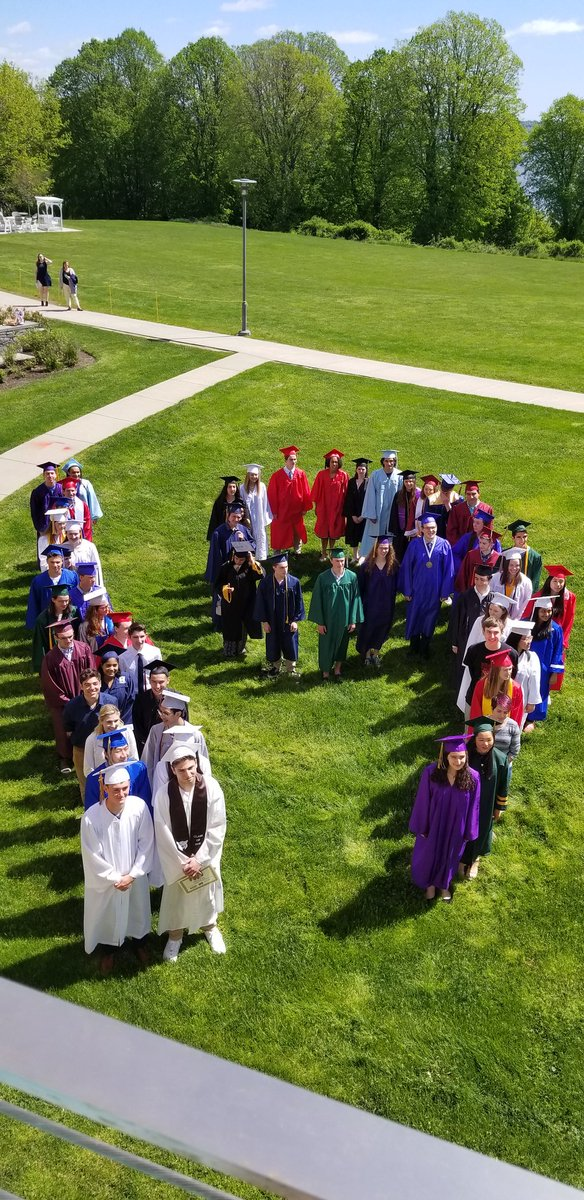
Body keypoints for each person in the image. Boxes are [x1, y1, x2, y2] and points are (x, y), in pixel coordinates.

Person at [154, 744, 227, 961]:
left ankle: (209, 927)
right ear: (173, 770)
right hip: (178, 861)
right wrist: (184, 861)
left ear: (196, 763)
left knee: (206, 893)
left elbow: (217, 826)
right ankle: (175, 936)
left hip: (205, 856)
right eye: (182, 770)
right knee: (176, 897)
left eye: (191, 768)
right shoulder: (164, 795)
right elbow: (163, 831)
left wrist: (200, 859)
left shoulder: (211, 788)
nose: (188, 774)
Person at [80, 764, 154, 975]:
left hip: (134, 875)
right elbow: (92, 856)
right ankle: (109, 951)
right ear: (105, 789)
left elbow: (147, 843)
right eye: (115, 790)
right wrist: (115, 879)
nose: (121, 794)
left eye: (125, 788)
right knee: (108, 914)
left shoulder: (139, 808)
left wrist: (133, 874)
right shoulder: (91, 818)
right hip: (108, 881)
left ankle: (140, 944)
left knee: (138, 909)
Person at [409, 734, 480, 902]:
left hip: (456, 826)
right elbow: (423, 801)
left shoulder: (473, 777)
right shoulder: (431, 773)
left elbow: (474, 806)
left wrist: (469, 831)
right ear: (445, 756)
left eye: (461, 757)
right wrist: (422, 826)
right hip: (434, 824)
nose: (458, 761)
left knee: (450, 856)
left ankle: (443, 885)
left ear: (466, 756)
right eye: (453, 757)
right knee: (430, 854)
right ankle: (429, 885)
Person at [40, 622, 95, 774]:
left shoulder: (83, 648)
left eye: (70, 636)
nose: (68, 640)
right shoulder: (50, 658)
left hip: (84, 696)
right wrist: (67, 701)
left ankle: (90, 753)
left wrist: (86, 694)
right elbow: (49, 684)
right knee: (62, 727)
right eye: (64, 638)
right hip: (63, 702)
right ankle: (65, 757)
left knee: (88, 724)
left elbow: (91, 672)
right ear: (56, 637)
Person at [398, 514, 454, 658]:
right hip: (416, 590)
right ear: (422, 529)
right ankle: (414, 647)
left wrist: (444, 592)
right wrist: (407, 590)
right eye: (428, 528)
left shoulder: (444, 544)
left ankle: (425, 648)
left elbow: (449, 570)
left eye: (433, 528)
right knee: (415, 616)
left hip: (434, 592)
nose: (431, 531)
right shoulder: (414, 545)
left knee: (430, 618)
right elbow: (406, 568)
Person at [459, 717, 509, 879]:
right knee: (463, 828)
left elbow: (503, 785)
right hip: (465, 804)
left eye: (489, 739)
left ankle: (475, 859)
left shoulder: (500, 759)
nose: (485, 744)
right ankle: (461, 858)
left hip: (486, 805)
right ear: (474, 739)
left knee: (482, 830)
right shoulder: (464, 756)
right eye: (481, 740)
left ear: (494, 739)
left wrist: (499, 807)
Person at [308, 547, 363, 682]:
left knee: (342, 644)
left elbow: (355, 599)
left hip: (344, 619)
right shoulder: (323, 578)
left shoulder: (352, 577)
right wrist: (320, 622)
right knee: (326, 645)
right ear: (331, 561)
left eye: (342, 560)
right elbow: (317, 601)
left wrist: (353, 620)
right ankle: (326, 672)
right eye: (337, 561)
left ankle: (337, 669)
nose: (340, 563)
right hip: (328, 619)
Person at [62, 668, 117, 797]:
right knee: (86, 784)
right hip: (81, 750)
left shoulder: (111, 701)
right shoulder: (72, 706)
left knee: (110, 781)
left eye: (95, 684)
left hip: (107, 748)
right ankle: (89, 807)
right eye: (87, 685)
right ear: (81, 686)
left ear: (100, 683)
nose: (92, 688)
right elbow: (68, 730)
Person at [523, 564, 576, 692]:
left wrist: (563, 642)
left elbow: (569, 620)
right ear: (549, 581)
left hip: (556, 637)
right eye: (555, 581)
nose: (558, 584)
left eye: (561, 581)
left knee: (551, 664)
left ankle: (545, 690)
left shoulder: (569, 598)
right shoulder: (537, 597)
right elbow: (527, 616)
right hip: (538, 636)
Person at [456, 607, 517, 716]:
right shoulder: (473, 650)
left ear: (502, 633)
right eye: (488, 632)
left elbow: (512, 677)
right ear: (483, 632)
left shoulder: (511, 653)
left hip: (499, 703)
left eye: (496, 632)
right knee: (472, 725)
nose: (492, 636)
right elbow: (472, 673)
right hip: (475, 697)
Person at [254, 552, 305, 677]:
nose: (285, 570)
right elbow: (260, 603)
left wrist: (295, 621)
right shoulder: (265, 583)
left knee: (290, 643)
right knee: (273, 643)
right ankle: (275, 668)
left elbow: (299, 602)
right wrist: (264, 622)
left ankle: (291, 669)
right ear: (274, 567)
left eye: (286, 567)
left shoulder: (294, 582)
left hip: (288, 621)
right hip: (272, 620)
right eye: (282, 567)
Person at [142, 690, 208, 784]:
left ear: (178, 714)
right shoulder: (156, 730)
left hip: (188, 780)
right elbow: (148, 759)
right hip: (163, 780)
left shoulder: (194, 734)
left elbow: (203, 762)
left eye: (166, 713)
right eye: (160, 712)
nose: (161, 716)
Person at [205, 501, 255, 625]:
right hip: (226, 571)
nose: (236, 519)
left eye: (238, 517)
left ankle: (235, 621)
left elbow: (253, 545)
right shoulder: (219, 533)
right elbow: (215, 556)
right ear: (228, 516)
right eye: (234, 516)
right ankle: (219, 623)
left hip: (239, 571)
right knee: (222, 596)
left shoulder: (243, 529)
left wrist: (243, 539)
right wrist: (219, 574)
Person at [215, 539, 264, 657]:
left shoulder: (249, 568)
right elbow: (217, 584)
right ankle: (229, 651)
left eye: (241, 559)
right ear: (233, 556)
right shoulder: (226, 567)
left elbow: (261, 575)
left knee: (242, 628)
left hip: (246, 604)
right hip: (230, 604)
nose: (238, 561)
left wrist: (252, 561)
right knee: (230, 628)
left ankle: (240, 649)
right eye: (236, 558)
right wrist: (225, 589)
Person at [356, 536, 399, 668]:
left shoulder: (393, 566)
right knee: (368, 629)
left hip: (386, 605)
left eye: (386, 548)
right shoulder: (366, 566)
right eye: (381, 548)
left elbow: (397, 585)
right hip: (370, 605)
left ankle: (376, 654)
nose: (384, 551)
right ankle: (367, 655)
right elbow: (360, 587)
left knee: (382, 628)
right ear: (375, 548)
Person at [449, 564, 494, 688]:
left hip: (484, 639)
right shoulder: (465, 596)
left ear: (489, 580)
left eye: (482, 579)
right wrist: (455, 642)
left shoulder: (493, 598)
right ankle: (461, 692)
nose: (478, 582)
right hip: (465, 638)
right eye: (476, 578)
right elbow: (457, 620)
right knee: (463, 666)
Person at [85, 729, 152, 812]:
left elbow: (146, 799)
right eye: (118, 751)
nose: (124, 755)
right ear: (106, 754)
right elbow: (91, 810)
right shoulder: (95, 778)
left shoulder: (138, 769)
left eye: (126, 749)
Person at [267, 446, 312, 554]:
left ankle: (297, 550)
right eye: (291, 459)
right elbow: (272, 495)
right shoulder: (277, 476)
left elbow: (306, 491)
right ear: (286, 460)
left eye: (295, 459)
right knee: (279, 530)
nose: (293, 462)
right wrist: (274, 511)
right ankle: (277, 551)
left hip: (297, 510)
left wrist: (305, 507)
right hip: (282, 510)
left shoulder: (300, 474)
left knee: (297, 529)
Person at [132, 660, 182, 755]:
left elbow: (183, 722)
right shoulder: (141, 699)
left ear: (168, 680)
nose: (157, 686)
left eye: (161, 682)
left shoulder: (177, 698)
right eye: (154, 682)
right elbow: (138, 726)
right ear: (149, 680)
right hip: (148, 745)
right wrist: (148, 744)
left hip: (173, 744)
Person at [527, 597, 565, 724]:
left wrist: (554, 673)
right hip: (526, 664)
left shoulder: (555, 629)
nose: (546, 614)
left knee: (540, 689)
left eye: (549, 611)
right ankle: (520, 714)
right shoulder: (526, 624)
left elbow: (557, 652)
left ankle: (532, 718)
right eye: (543, 611)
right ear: (536, 610)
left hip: (544, 668)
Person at [359, 450, 402, 558]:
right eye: (386, 461)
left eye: (391, 461)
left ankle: (389, 559)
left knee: (391, 535)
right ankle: (371, 559)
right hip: (378, 512)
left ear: (394, 461)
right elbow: (370, 494)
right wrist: (371, 514)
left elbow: (402, 495)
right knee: (374, 536)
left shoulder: (399, 475)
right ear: (382, 461)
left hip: (392, 512)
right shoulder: (376, 474)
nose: (389, 463)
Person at [26, 546, 79, 629]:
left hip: (68, 617)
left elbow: (77, 597)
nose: (55, 565)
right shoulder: (38, 581)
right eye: (52, 562)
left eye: (58, 562)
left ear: (62, 561)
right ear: (47, 561)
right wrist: (33, 624)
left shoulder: (72, 577)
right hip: (47, 619)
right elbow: (34, 602)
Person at [310, 450, 349, 560]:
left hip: (337, 508)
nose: (334, 464)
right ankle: (323, 553)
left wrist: (345, 508)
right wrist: (316, 506)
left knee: (334, 530)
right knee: (323, 529)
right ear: (328, 462)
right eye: (332, 462)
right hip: (324, 507)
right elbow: (316, 491)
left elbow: (346, 493)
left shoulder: (343, 475)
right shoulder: (321, 474)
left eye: (336, 462)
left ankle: (331, 552)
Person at [32, 583, 79, 673]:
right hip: (54, 655)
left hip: (72, 651)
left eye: (67, 600)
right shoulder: (43, 619)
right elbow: (40, 643)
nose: (64, 604)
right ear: (53, 599)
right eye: (61, 601)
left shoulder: (73, 612)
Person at [469, 650, 524, 727]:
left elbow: (516, 714)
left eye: (510, 669)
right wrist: (479, 729)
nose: (508, 673)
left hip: (505, 729)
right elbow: (476, 710)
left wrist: (512, 731)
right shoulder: (482, 685)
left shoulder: (516, 688)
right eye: (505, 670)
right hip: (485, 729)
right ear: (496, 670)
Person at [84, 704, 139, 775]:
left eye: (116, 721)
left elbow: (134, 758)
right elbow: (88, 769)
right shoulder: (92, 739)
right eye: (109, 722)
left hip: (126, 775)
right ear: (101, 721)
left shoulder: (127, 732)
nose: (113, 725)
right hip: (102, 778)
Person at [505, 621, 541, 731]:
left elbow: (534, 681)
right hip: (503, 698)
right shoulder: (505, 655)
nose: (528, 641)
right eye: (524, 639)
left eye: (530, 638)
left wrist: (532, 702)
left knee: (516, 726)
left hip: (521, 699)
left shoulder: (532, 657)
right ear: (515, 639)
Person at [452, 510, 501, 577]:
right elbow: (455, 554)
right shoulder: (467, 537)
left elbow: (498, 560)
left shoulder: (494, 541)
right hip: (468, 573)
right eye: (474, 522)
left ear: (485, 525)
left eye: (478, 523)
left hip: (487, 576)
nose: (474, 525)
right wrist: (463, 567)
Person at [239, 464, 273, 560]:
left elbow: (265, 502)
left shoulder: (262, 486)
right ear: (248, 475)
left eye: (256, 475)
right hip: (247, 518)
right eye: (252, 475)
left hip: (259, 518)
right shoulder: (242, 488)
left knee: (259, 535)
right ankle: (248, 557)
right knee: (248, 535)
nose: (254, 477)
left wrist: (265, 518)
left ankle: (259, 558)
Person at [454, 525, 501, 593]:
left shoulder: (497, 558)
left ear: (491, 544)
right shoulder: (471, 555)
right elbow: (463, 574)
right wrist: (464, 592)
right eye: (480, 542)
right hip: (471, 591)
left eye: (484, 543)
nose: (481, 545)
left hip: (489, 592)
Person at [446, 480, 493, 545]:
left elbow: (488, 529)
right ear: (465, 494)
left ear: (479, 494)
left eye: (474, 494)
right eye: (468, 494)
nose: (471, 497)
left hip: (479, 545)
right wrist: (458, 545)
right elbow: (451, 529)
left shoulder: (486, 509)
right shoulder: (457, 509)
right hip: (461, 544)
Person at [118, 622, 162, 689]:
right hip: (131, 691)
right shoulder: (122, 656)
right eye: (135, 637)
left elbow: (160, 673)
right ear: (129, 637)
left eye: (142, 636)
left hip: (151, 690)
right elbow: (121, 677)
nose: (139, 640)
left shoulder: (155, 652)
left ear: (146, 636)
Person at [500, 520, 543, 590]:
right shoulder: (505, 554)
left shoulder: (535, 557)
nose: (522, 540)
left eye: (525, 536)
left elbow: (535, 581)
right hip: (507, 589)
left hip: (525, 590)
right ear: (513, 538)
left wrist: (530, 595)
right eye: (519, 537)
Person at [343, 457, 370, 564]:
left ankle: (363, 556)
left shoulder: (369, 482)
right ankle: (355, 555)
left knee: (363, 535)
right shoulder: (351, 482)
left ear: (366, 470)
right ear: (356, 469)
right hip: (353, 514)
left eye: (363, 469)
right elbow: (348, 499)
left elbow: (370, 500)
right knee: (354, 535)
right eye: (359, 469)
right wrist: (353, 515)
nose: (361, 471)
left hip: (365, 514)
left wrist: (363, 516)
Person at [98, 647, 136, 722]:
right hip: (102, 722)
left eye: (114, 665)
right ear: (102, 665)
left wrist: (122, 722)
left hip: (124, 721)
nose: (112, 668)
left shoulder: (126, 679)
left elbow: (130, 702)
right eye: (108, 665)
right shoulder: (97, 682)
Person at [61, 458, 103, 525]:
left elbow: (92, 499)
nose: (76, 474)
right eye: (73, 472)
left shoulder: (85, 484)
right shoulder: (64, 484)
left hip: (84, 515)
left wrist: (94, 516)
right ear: (68, 473)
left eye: (78, 472)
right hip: (69, 516)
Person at [491, 551, 533, 619]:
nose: (514, 568)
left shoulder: (526, 582)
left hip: (515, 619)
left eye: (517, 565)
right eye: (511, 565)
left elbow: (526, 602)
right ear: (506, 564)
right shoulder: (496, 578)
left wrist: (517, 619)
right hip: (496, 617)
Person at [389, 469, 420, 562]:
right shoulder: (399, 494)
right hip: (401, 530)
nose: (408, 483)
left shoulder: (419, 495)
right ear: (403, 482)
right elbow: (394, 513)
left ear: (414, 481)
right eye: (406, 481)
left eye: (411, 481)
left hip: (414, 530)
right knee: (399, 553)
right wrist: (394, 529)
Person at [61, 520, 103, 585]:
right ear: (66, 534)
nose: (73, 537)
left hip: (87, 583)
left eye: (75, 534)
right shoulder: (63, 547)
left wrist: (97, 585)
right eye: (70, 534)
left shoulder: (89, 546)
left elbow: (96, 567)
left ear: (80, 532)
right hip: (70, 583)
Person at [29, 462, 61, 541]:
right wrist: (39, 528)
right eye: (47, 474)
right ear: (44, 475)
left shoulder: (61, 488)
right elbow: (34, 512)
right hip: (44, 526)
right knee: (44, 545)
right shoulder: (37, 492)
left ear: (56, 475)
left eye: (52, 473)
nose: (50, 476)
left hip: (59, 525)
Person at [490, 694, 521, 768]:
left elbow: (515, 750)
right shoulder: (483, 722)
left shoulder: (513, 725)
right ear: (492, 708)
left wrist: (504, 763)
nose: (502, 715)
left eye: (505, 712)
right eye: (499, 711)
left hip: (504, 764)